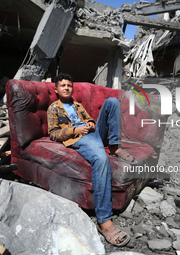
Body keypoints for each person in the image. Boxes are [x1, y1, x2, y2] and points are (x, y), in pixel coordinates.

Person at [47, 73, 134, 246]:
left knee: (112, 102)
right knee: (101, 160)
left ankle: (114, 146)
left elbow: (90, 120)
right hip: (79, 138)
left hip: (93, 134)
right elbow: (53, 134)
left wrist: (90, 124)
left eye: (69, 86)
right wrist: (75, 131)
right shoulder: (54, 108)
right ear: (56, 89)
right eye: (63, 86)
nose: (66, 88)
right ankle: (104, 220)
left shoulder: (77, 105)